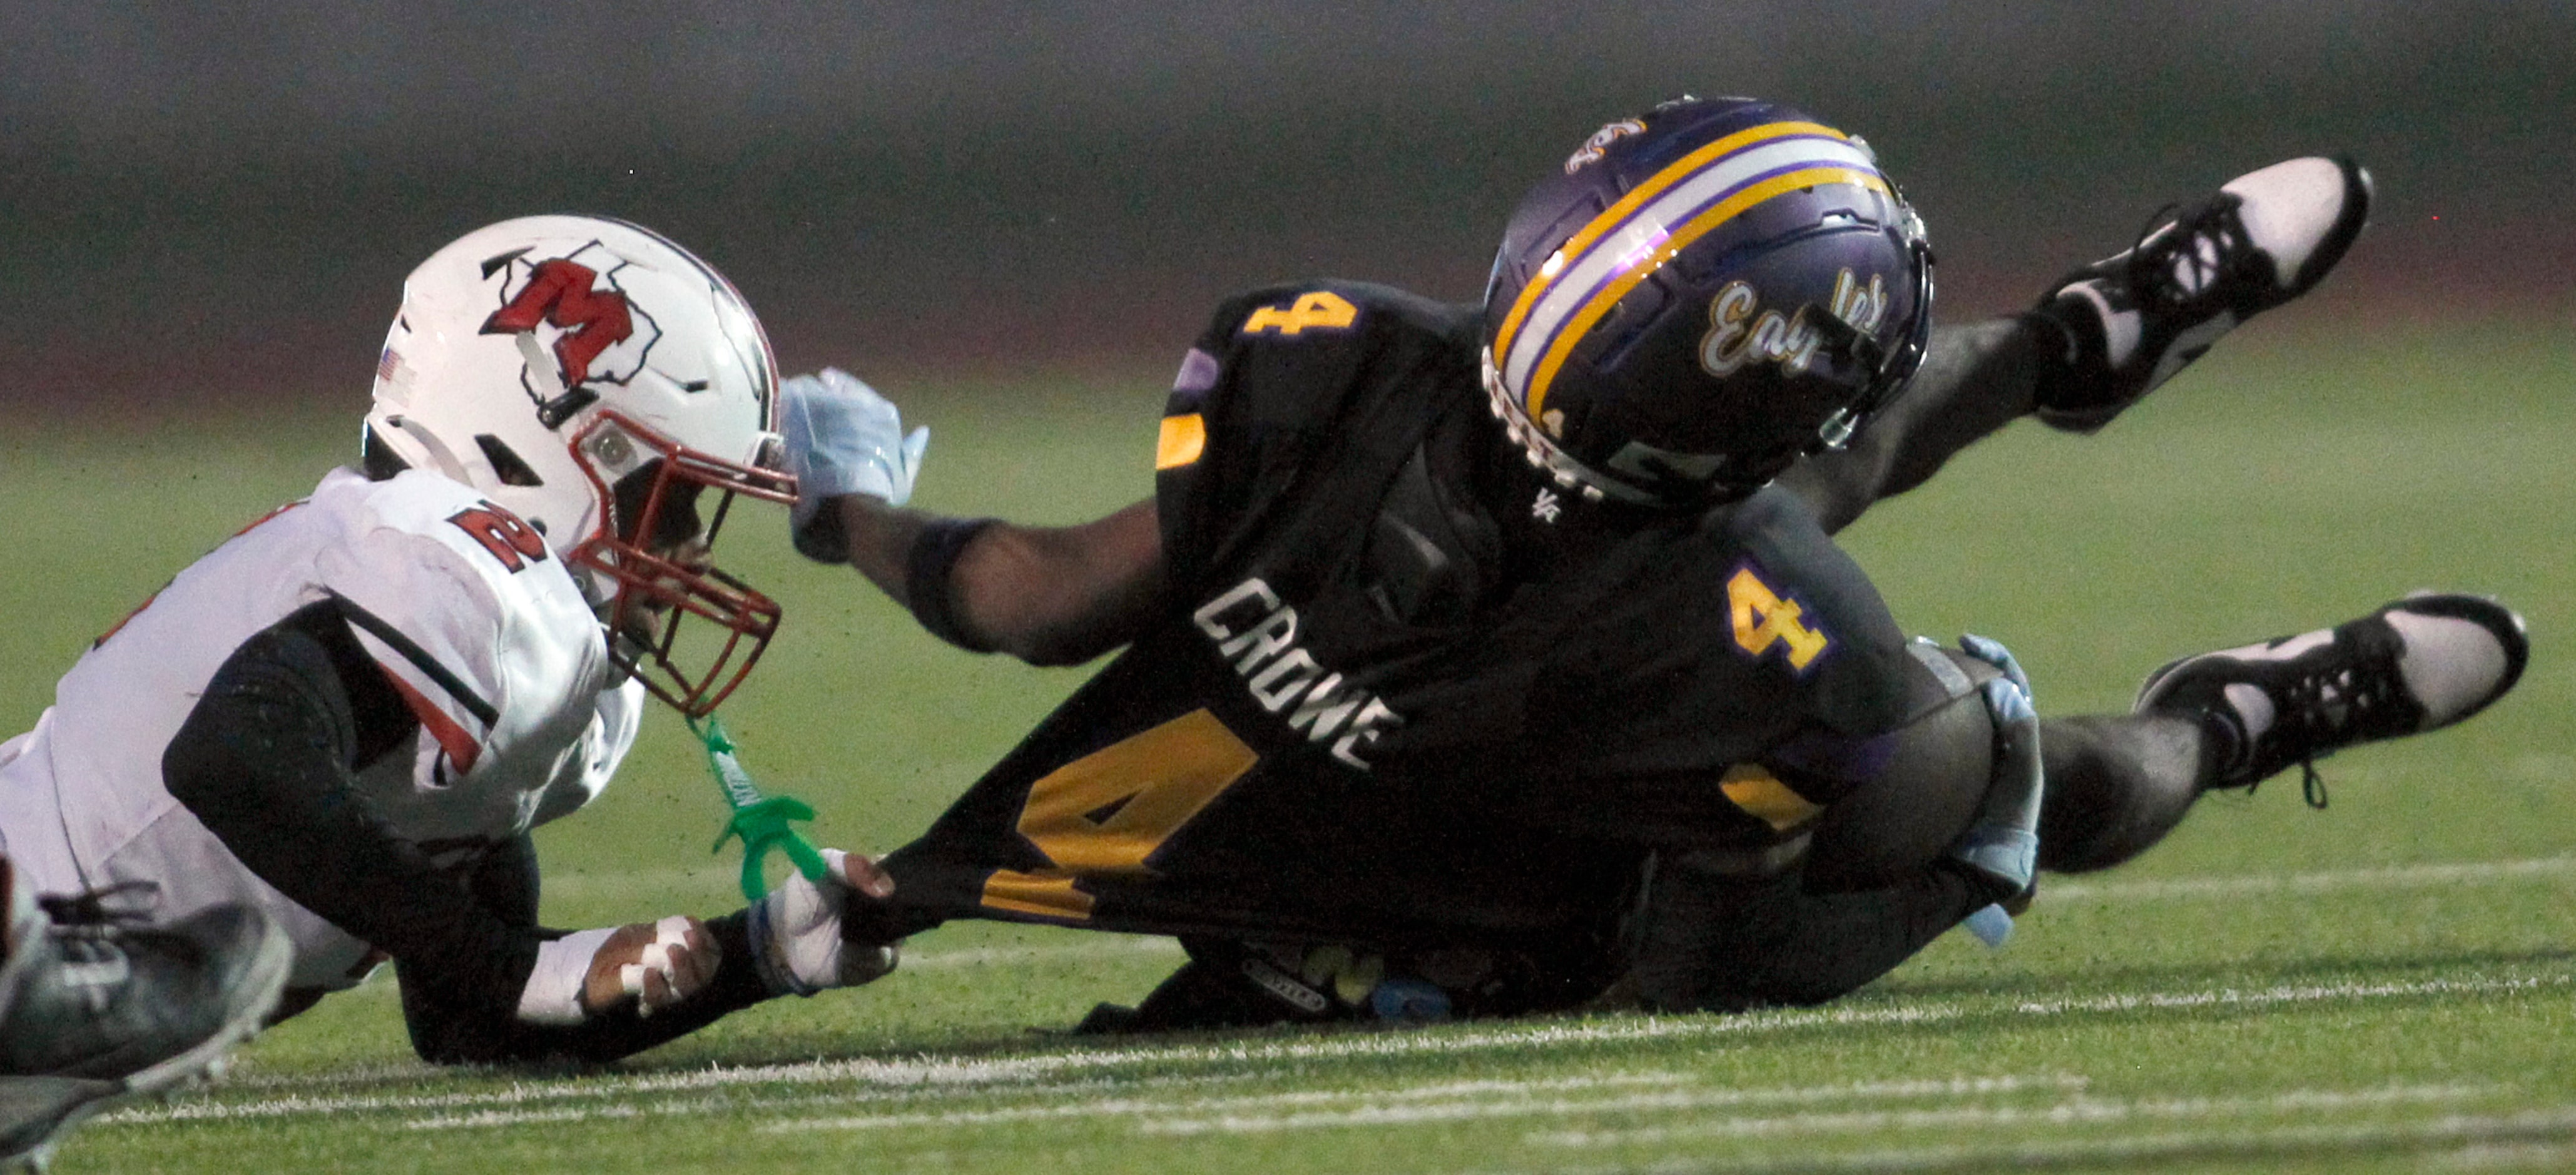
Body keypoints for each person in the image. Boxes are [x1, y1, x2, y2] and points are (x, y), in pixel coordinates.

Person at [785, 96, 2528, 1027]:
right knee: (1988, 766)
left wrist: (836, 508)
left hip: (1626, 769)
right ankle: (2224, 697)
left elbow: (1028, 597)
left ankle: (2191, 619)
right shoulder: (1754, 615)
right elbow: (1678, 950)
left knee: (1981, 774)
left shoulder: (1326, 361)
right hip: (1590, 811)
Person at [0, 216, 903, 1162]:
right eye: (666, 500)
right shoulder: (464, 578)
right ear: (531, 459)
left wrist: (763, 951)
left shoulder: (533, 672)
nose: (694, 550)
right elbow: (231, 756)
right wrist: (521, 968)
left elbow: (477, 1016)